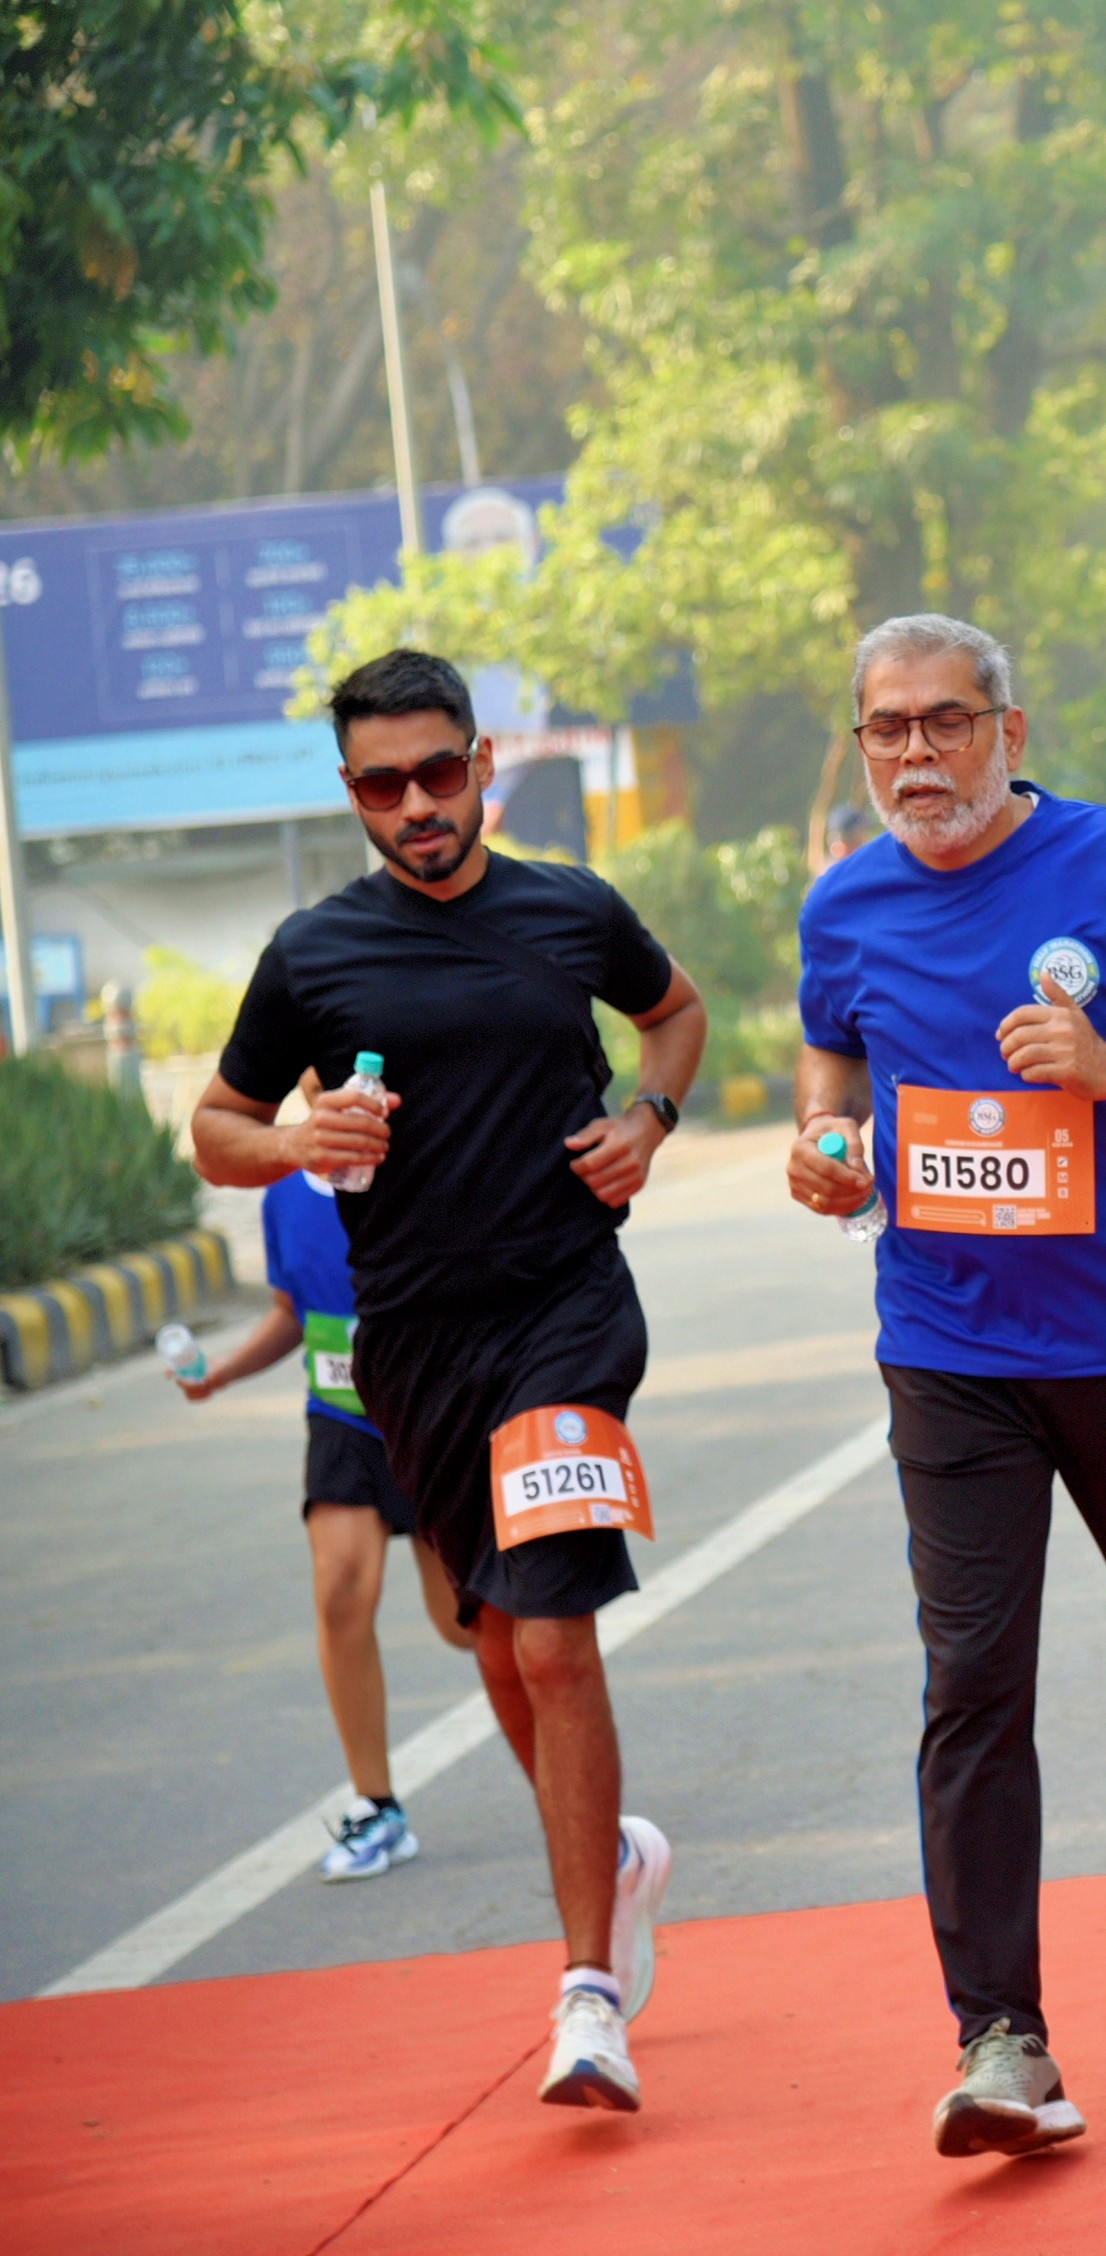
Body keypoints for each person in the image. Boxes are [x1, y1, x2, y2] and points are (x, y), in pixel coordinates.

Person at [787, 613, 1106, 2161]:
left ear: (1009, 733)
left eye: (947, 722)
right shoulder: (845, 903)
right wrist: (826, 1145)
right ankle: (1000, 2039)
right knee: (971, 1682)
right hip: (947, 1347)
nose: (916, 755)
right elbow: (830, 1056)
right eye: (888, 729)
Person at [194, 646, 705, 2113]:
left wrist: (649, 1120)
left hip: (567, 1309)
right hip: (413, 1345)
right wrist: (296, 1142)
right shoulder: (313, 954)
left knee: (551, 1637)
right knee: (490, 1639)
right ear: (350, 792)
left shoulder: (569, 909)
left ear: (480, 765)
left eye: (436, 771)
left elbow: (675, 1015)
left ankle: (588, 1994)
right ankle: (610, 1856)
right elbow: (218, 1126)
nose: (415, 805)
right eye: (382, 785)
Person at [172, 1135, 478, 1880]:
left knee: (466, 1623)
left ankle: (565, 1729)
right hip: (343, 1420)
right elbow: (293, 1311)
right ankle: (376, 1806)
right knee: (340, 1587)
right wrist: (223, 1373)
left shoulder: (427, 1158)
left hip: (433, 1414)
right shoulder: (284, 1192)